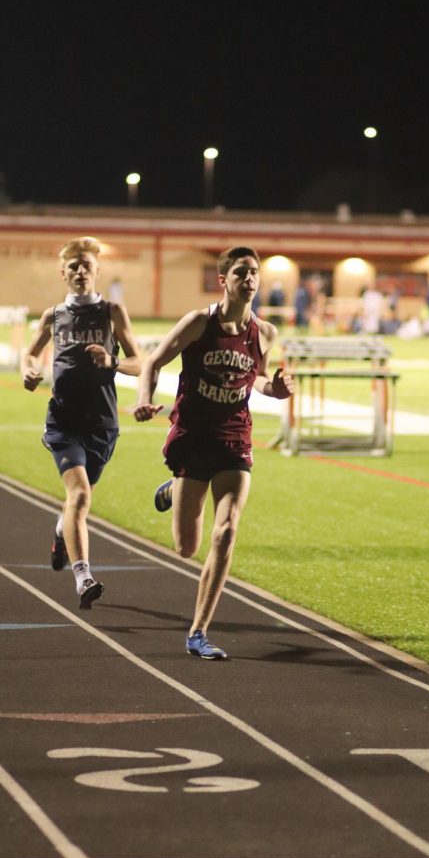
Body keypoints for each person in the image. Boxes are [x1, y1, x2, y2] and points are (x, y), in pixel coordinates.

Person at [134, 246, 294, 660]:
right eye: (241, 272)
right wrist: (145, 400)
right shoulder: (198, 323)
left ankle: (198, 631)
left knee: (226, 532)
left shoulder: (265, 332)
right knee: (187, 547)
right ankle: (174, 488)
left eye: (255, 272)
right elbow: (152, 362)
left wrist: (273, 391)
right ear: (223, 280)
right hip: (193, 437)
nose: (250, 279)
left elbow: (255, 378)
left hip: (234, 439)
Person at [21, 237, 141, 609]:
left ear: (96, 270)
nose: (79, 270)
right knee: (81, 495)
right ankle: (83, 577)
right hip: (63, 422)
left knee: (78, 502)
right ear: (63, 273)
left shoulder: (113, 312)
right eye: (72, 266)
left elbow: (141, 362)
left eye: (85, 264)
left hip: (103, 424)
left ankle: (61, 531)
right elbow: (30, 353)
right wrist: (29, 371)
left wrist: (112, 362)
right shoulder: (53, 316)